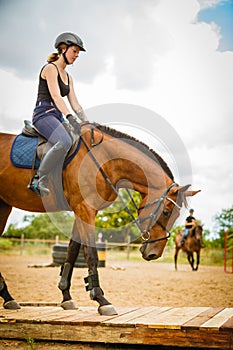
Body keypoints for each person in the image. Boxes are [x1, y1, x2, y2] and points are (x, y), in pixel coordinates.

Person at [28, 32, 88, 197]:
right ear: (63, 48)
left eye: (78, 53)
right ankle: (38, 180)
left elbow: (75, 103)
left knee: (79, 141)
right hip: (43, 114)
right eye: (74, 51)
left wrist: (87, 123)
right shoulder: (50, 68)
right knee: (64, 141)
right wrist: (69, 117)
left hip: (57, 116)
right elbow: (55, 96)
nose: (76, 56)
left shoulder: (68, 77)